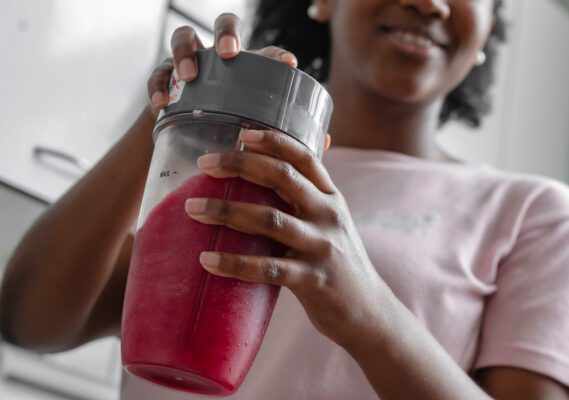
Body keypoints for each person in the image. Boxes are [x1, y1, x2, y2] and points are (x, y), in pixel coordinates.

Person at [1, 0, 569, 398]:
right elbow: (29, 322)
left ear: (486, 36)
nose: (429, 2)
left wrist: (365, 307)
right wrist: (170, 117)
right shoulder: (223, 158)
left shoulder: (532, 212)